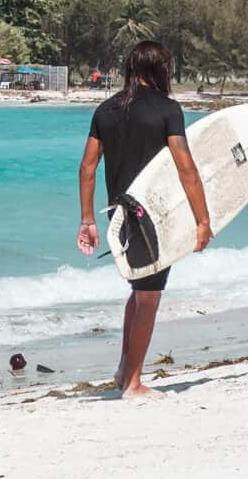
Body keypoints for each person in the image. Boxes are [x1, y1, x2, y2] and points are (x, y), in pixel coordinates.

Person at [76, 40, 214, 398]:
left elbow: (88, 168)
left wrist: (87, 220)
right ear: (161, 69)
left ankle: (125, 371)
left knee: (139, 293)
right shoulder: (168, 110)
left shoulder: (105, 110)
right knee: (149, 298)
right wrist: (202, 221)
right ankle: (134, 384)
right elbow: (187, 169)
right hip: (154, 218)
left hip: (119, 217)